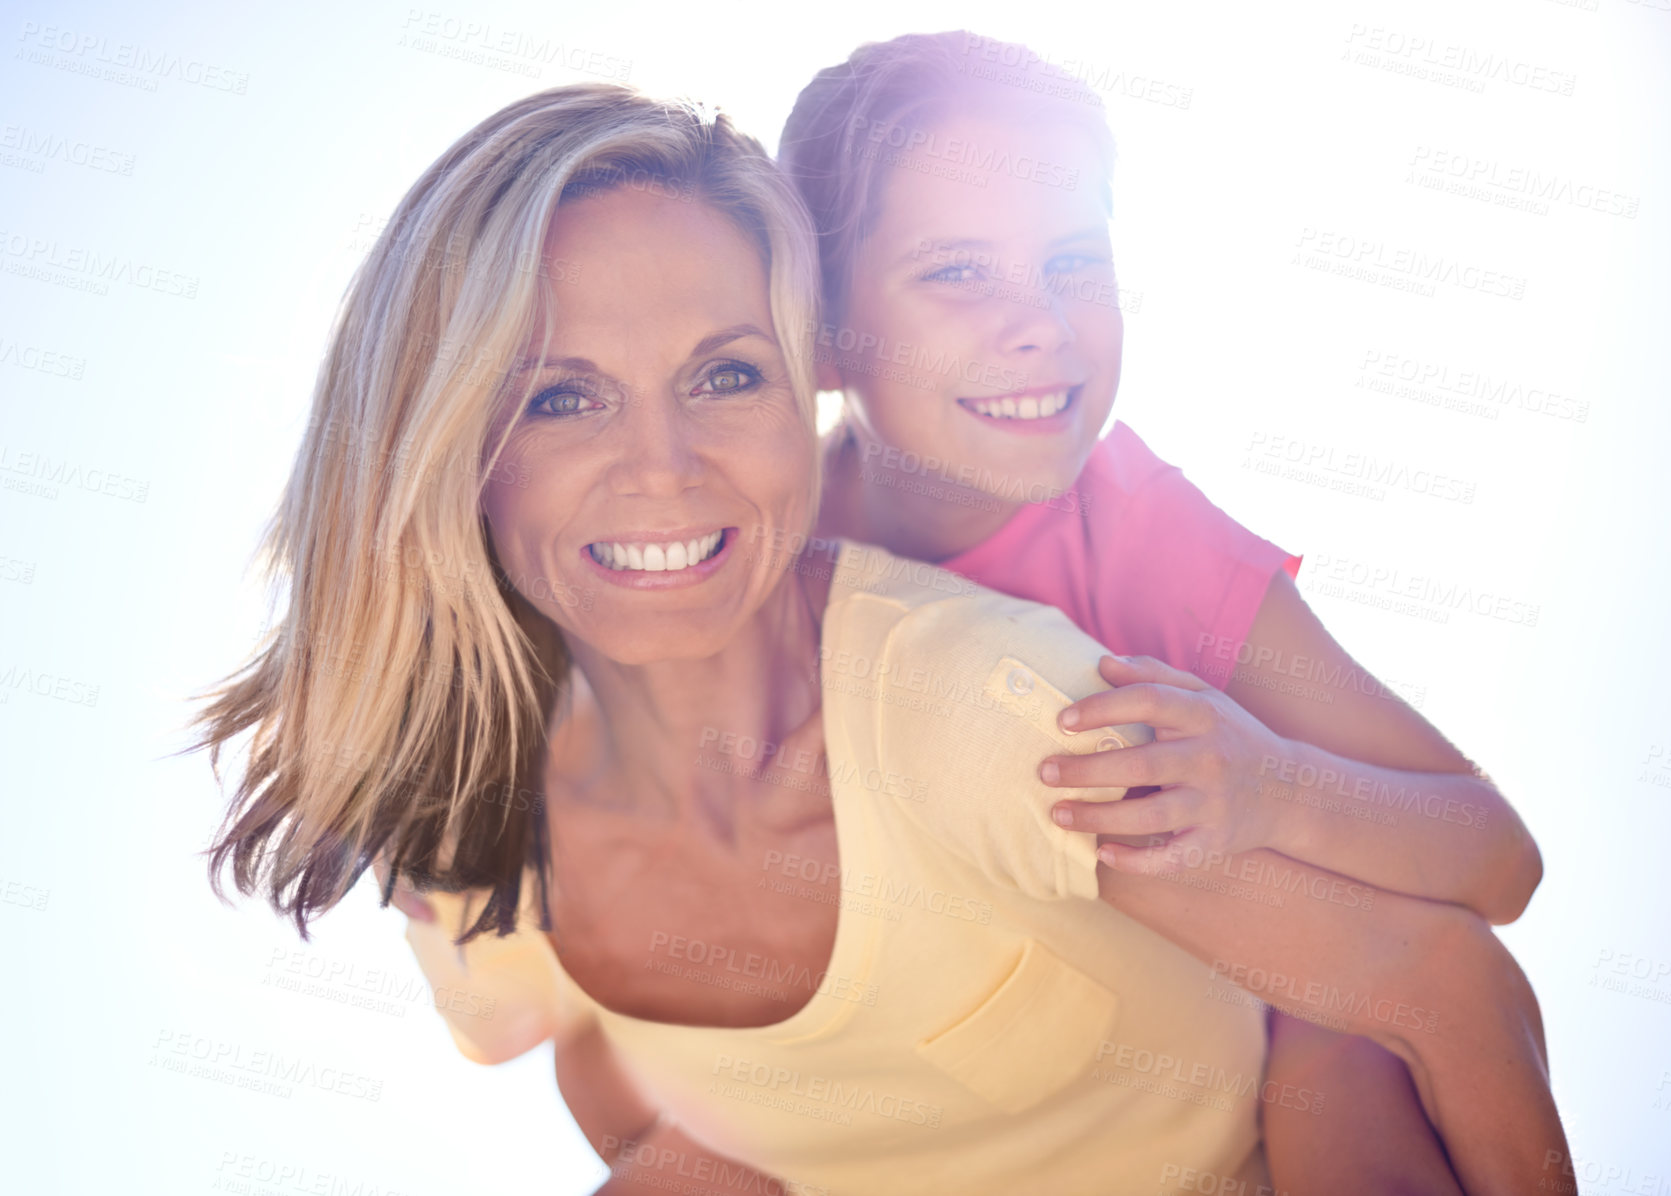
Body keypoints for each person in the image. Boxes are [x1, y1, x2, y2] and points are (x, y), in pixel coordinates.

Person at [189, 83, 1563, 1196]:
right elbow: (608, 1069)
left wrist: (1265, 783)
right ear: (837, 352)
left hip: (1258, 1018)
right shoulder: (525, 767)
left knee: (1333, 1070)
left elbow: (1475, 887)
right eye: (562, 398)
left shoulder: (1060, 616)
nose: (666, 468)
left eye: (725, 376)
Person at [777, 31, 1562, 1193]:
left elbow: (1496, 859)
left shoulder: (1145, 536)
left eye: (1074, 262)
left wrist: (1269, 785)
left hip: (1278, 1025)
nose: (1040, 320)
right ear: (825, 329)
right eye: (956, 271)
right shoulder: (765, 540)